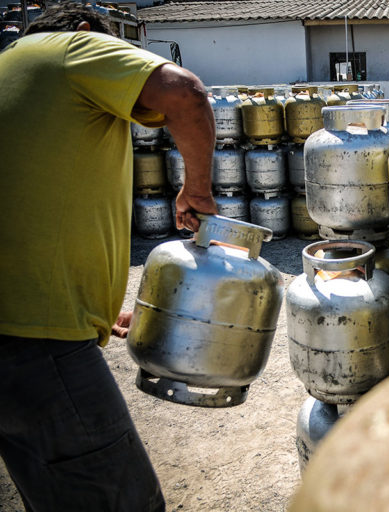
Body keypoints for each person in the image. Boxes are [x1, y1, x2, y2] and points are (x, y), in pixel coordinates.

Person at [0, 3, 217, 510]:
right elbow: (186, 94)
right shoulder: (74, 48)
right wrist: (198, 192)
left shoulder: (12, 67)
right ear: (85, 32)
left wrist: (93, 304)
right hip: (36, 342)